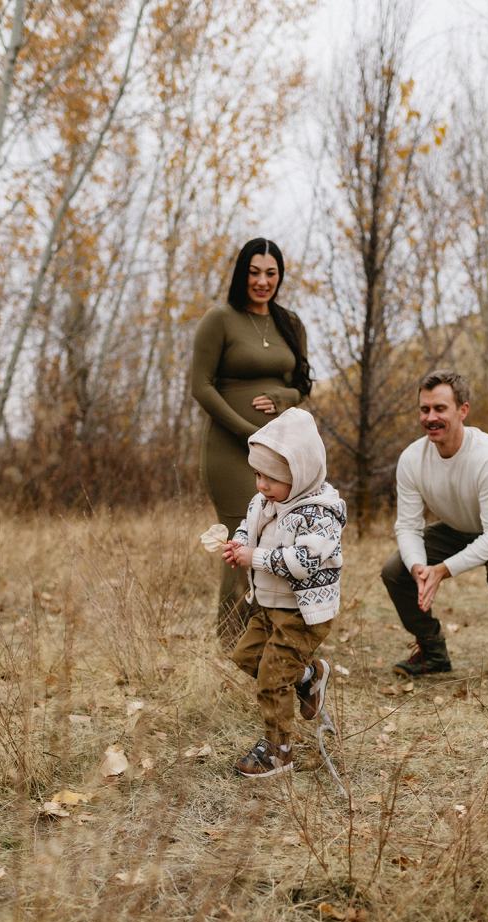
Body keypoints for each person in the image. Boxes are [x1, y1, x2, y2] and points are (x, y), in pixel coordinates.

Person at [381, 369, 488, 685]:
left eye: (440, 408)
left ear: (462, 410)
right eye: (424, 409)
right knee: (395, 571)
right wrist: (418, 568)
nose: (430, 417)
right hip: (455, 529)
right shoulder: (412, 459)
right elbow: (409, 526)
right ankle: (432, 653)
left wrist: (441, 570)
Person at [192, 238, 312, 649]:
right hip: (231, 450)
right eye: (254, 272)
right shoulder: (219, 319)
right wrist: (248, 431)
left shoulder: (290, 324)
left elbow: (301, 387)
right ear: (242, 273)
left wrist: (283, 400)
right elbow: (201, 387)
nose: (262, 281)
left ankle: (274, 641)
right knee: (241, 541)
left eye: (271, 273)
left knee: (282, 540)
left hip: (281, 452)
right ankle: (230, 644)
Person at [222, 407, 347, 778]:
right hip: (267, 605)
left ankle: (279, 751)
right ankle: (308, 676)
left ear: (302, 472)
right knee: (247, 657)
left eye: (272, 478)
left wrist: (254, 557)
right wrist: (239, 543)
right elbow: (249, 527)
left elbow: (304, 561)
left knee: (273, 678)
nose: (262, 485)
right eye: (258, 474)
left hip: (301, 614)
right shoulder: (265, 501)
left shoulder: (318, 513)